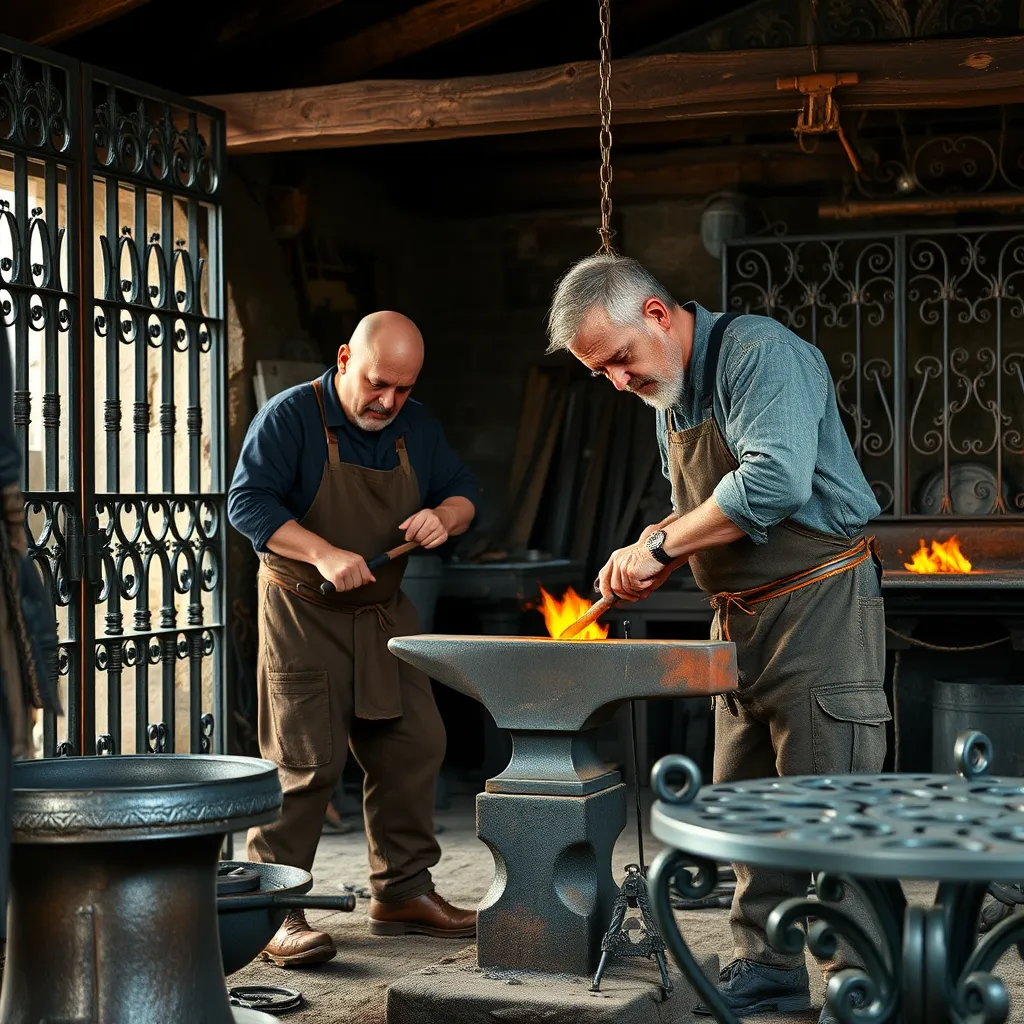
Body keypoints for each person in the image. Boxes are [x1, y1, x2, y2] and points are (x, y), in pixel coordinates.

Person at [546, 256, 889, 1024]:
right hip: (738, 618)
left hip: (819, 605)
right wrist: (653, 543)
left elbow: (773, 482)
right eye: (599, 371)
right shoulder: (671, 392)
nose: (617, 380)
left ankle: (859, 982)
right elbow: (702, 512)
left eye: (620, 359)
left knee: (828, 800)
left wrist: (662, 548)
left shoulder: (760, 355)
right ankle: (764, 967)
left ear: (659, 316)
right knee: (746, 803)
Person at [228, 311, 479, 967]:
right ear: (344, 359)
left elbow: (464, 491)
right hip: (302, 608)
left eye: (403, 389)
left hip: (382, 615)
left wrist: (443, 518)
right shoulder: (289, 417)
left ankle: (402, 892)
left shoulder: (414, 427)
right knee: (304, 765)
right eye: (377, 384)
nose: (388, 402)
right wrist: (322, 552)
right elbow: (248, 505)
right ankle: (273, 912)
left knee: (415, 743)